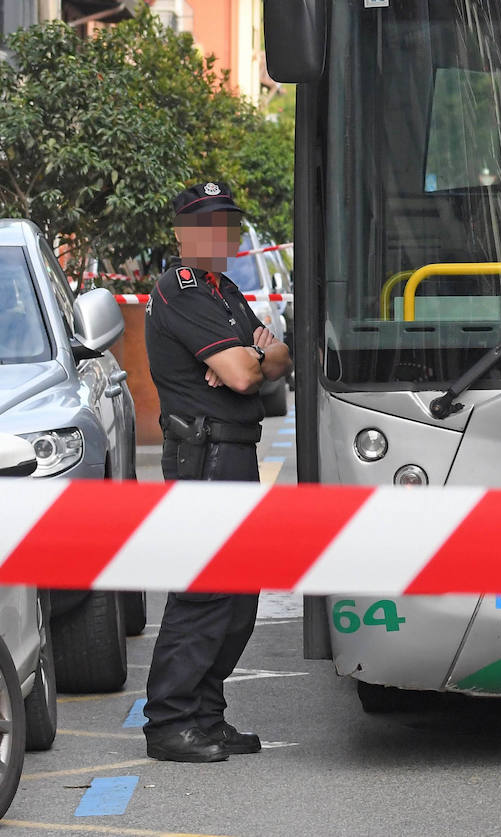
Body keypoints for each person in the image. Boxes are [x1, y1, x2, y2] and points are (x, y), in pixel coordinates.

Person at [141, 182, 292, 763]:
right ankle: (170, 722)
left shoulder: (222, 290)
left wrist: (255, 355)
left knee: (239, 597)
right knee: (204, 591)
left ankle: (206, 715)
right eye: (207, 225)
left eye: (227, 224)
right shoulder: (180, 289)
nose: (221, 235)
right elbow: (246, 376)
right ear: (182, 234)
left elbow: (279, 359)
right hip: (201, 456)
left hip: (233, 452)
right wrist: (251, 357)